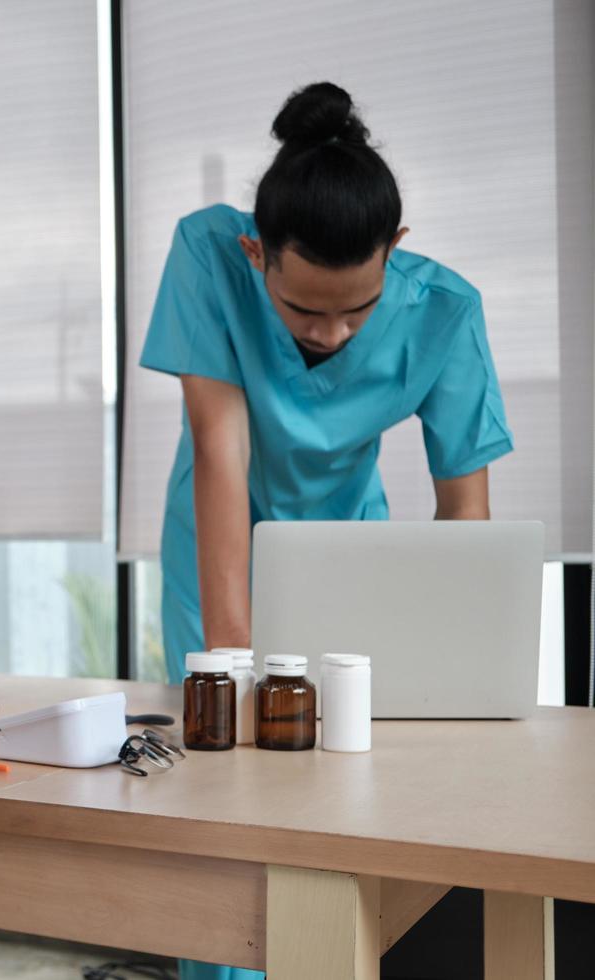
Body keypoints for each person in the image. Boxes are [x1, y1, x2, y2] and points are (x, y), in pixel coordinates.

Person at [140, 82, 512, 980]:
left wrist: (455, 679)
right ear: (255, 251)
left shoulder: (446, 312)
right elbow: (220, 451)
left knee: (339, 788)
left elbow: (466, 516)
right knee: (227, 796)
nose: (333, 333)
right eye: (304, 310)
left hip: (350, 548)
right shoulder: (206, 253)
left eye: (359, 308)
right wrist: (233, 665)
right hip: (218, 545)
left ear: (397, 253)